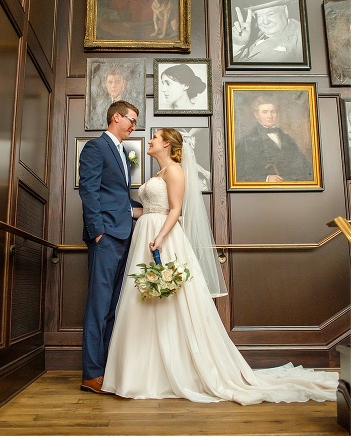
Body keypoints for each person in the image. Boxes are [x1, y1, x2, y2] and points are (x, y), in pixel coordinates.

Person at [101, 128, 337, 403]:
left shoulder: (175, 171)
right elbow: (150, 208)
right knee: (143, 300)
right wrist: (117, 212)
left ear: (166, 144)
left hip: (162, 237)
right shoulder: (156, 174)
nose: (150, 141)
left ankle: (176, 371)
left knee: (170, 300)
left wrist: (160, 238)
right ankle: (143, 371)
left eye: (155, 137)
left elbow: (176, 209)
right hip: (146, 231)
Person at [78, 100, 142, 394]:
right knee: (98, 306)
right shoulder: (95, 147)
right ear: (116, 117)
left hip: (123, 235)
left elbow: (117, 197)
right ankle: (91, 374)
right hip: (106, 238)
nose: (133, 126)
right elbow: (89, 190)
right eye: (131, 120)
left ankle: (105, 370)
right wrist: (98, 232)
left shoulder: (123, 152)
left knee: (113, 307)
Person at [235, 96, 314, 182]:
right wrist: (266, 179)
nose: (270, 116)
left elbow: (304, 165)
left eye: (273, 112)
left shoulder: (287, 139)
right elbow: (239, 173)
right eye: (265, 112)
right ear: (257, 115)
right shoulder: (246, 143)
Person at [231, 0, 303, 63]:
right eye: (259, 16)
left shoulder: (301, 36)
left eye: (270, 14)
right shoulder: (253, 34)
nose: (265, 22)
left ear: (285, 11)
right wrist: (239, 43)